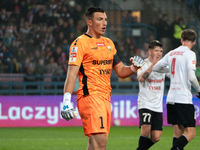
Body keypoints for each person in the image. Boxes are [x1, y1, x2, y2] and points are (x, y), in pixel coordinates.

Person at [60, 7, 144, 150]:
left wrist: (133, 68)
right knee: (101, 144)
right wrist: (66, 101)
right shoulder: (79, 43)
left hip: (105, 98)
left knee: (94, 145)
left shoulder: (109, 43)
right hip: (90, 97)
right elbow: (71, 74)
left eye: (105, 19)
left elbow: (121, 71)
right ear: (90, 22)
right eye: (100, 19)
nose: (104, 23)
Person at [153, 29, 199, 150]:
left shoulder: (172, 53)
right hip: (183, 98)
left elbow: (156, 67)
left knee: (177, 134)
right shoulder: (190, 54)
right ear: (194, 42)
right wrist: (199, 90)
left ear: (181, 39)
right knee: (191, 133)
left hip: (171, 99)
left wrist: (171, 71)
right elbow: (192, 78)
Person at [136, 40, 169, 150]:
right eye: (156, 50)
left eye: (161, 51)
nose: (159, 53)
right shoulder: (143, 64)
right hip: (145, 103)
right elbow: (141, 78)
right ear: (150, 52)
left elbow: (173, 73)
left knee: (156, 137)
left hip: (157, 105)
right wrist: (153, 65)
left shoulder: (163, 65)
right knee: (146, 129)